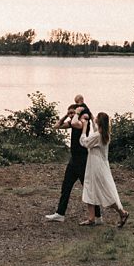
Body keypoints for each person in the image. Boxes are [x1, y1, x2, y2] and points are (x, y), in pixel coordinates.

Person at [44, 95, 102, 223]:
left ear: (78, 112)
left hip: (82, 161)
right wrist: (66, 115)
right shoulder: (72, 122)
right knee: (66, 186)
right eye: (69, 112)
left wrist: (79, 110)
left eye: (72, 112)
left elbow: (78, 118)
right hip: (73, 160)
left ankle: (98, 216)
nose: (71, 115)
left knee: (88, 188)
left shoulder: (81, 123)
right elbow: (57, 126)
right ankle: (60, 213)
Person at [78, 111, 130, 227]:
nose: (95, 118)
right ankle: (91, 218)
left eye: (96, 117)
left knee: (102, 191)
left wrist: (84, 127)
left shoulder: (97, 136)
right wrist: (91, 117)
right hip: (100, 165)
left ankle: (122, 212)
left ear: (99, 121)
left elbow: (85, 142)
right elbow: (96, 129)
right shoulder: (104, 134)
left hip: (95, 167)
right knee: (91, 188)